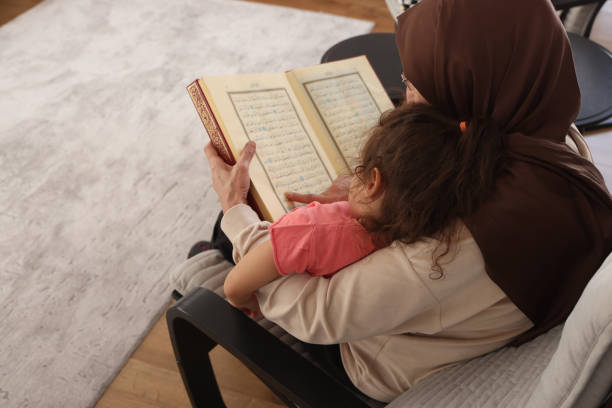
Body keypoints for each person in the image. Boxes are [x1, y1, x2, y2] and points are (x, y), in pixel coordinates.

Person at [172, 0, 612, 402]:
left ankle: (211, 257)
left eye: (415, 83)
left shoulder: (456, 246)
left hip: (371, 362)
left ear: (466, 88)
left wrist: (237, 213)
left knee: (242, 219)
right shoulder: (555, 144)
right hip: (453, 313)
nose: (405, 91)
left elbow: (321, 315)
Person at [222, 104, 480, 318]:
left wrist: (249, 302)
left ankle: (210, 253)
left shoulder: (312, 228)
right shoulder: (403, 234)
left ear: (373, 182)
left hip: (294, 311)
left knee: (223, 236)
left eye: (359, 167)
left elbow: (234, 286)